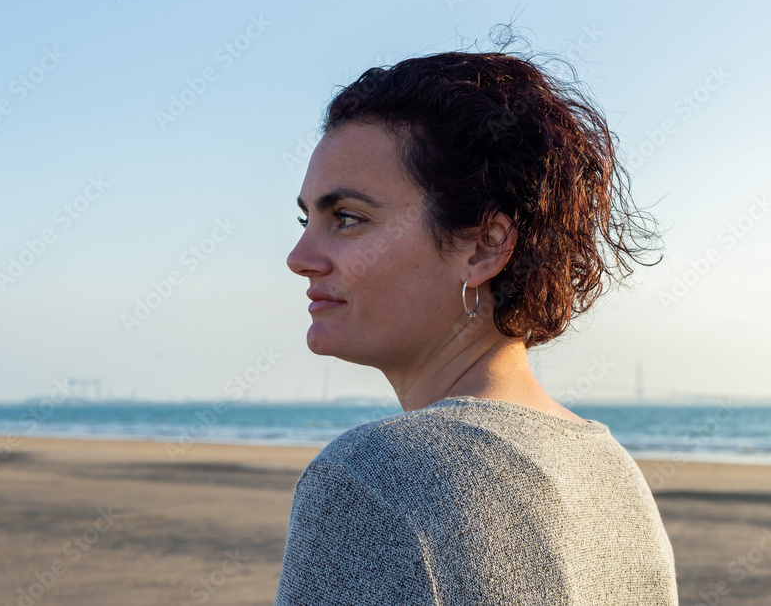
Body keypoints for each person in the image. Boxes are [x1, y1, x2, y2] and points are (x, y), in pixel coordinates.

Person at [275, 45, 678, 604]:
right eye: (307, 218)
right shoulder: (613, 479)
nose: (300, 256)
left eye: (347, 218)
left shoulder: (369, 480)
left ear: (483, 246)